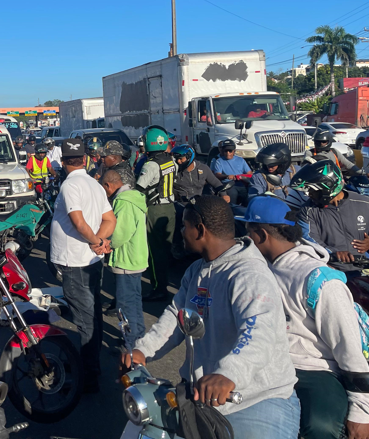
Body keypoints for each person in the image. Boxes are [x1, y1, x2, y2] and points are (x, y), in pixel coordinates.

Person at [128, 195, 300, 439]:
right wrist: (143, 351)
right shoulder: (196, 270)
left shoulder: (248, 274)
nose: (181, 232)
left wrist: (228, 374)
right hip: (204, 398)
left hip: (257, 399)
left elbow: (259, 332)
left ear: (200, 230)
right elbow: (177, 318)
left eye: (184, 226)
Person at [245, 195, 369, 439]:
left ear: (261, 235)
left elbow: (349, 348)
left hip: (314, 369)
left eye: (248, 232)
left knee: (320, 427)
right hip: (267, 364)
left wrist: (361, 412)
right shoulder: (256, 269)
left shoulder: (319, 280)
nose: (245, 240)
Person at [50, 137, 116, 393]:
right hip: (91, 259)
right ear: (86, 159)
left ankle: (89, 375)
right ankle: (92, 364)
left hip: (76, 260)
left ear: (64, 162)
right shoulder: (94, 184)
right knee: (93, 314)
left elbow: (78, 222)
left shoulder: (70, 186)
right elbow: (110, 219)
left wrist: (95, 240)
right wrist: (101, 240)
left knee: (85, 319)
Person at [100, 168, 148, 350]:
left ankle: (130, 344)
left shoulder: (123, 202)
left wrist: (107, 244)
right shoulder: (134, 197)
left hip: (126, 259)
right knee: (134, 302)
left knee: (125, 304)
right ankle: (138, 338)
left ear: (108, 185)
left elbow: (121, 233)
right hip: (135, 258)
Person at [134, 127, 177, 302]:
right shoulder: (171, 161)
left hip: (154, 209)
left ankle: (159, 288)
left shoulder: (150, 165)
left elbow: (139, 188)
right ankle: (164, 282)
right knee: (165, 249)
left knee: (154, 251)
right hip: (170, 208)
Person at [210, 139, 252, 206]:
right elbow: (217, 175)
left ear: (234, 151)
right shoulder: (219, 161)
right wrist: (226, 176)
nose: (228, 153)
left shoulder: (241, 160)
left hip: (242, 184)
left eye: (230, 151)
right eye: (226, 151)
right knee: (232, 196)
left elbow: (250, 174)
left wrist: (241, 176)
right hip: (228, 185)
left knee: (249, 197)